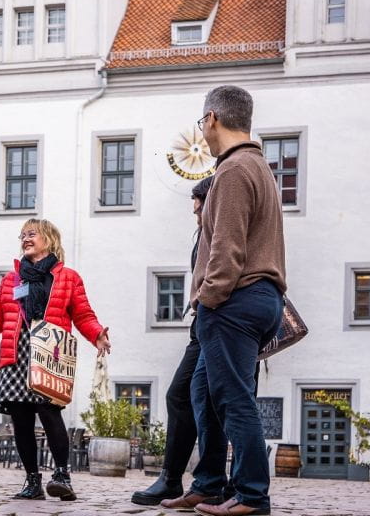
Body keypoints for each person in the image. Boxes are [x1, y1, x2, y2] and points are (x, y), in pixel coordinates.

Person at [162, 86, 285, 516]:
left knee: (234, 400)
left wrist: (206, 299)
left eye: (202, 123)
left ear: (212, 118)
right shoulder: (258, 166)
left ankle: (252, 494)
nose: (203, 131)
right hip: (256, 299)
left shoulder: (233, 170)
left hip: (234, 300)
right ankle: (209, 484)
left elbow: (226, 251)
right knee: (203, 393)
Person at [0, 219, 110, 502]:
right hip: (16, 354)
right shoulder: (11, 280)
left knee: (49, 413)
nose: (25, 239)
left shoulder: (68, 277)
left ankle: (62, 476)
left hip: (48, 354)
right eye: (22, 235)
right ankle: (32, 481)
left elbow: (83, 314)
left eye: (31, 234)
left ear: (49, 238)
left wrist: (96, 334)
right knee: (21, 420)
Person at [131, 176, 213, 506]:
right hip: (202, 325)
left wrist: (203, 299)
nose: (194, 209)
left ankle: (194, 481)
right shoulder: (204, 233)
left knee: (196, 400)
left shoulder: (221, 226)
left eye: (199, 203)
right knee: (186, 397)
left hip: (216, 322)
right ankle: (176, 479)